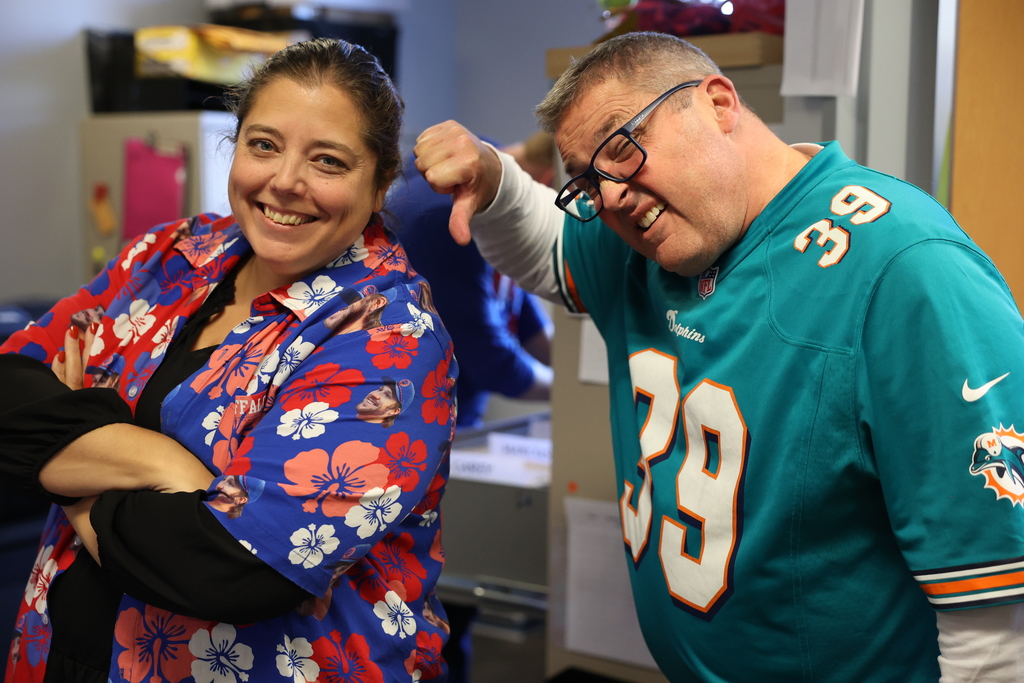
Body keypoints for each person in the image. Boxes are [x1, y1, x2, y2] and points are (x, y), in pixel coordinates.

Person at [412, 31, 1024, 682]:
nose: (611, 195)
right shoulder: (653, 233)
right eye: (590, 182)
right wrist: (494, 175)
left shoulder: (904, 267)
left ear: (718, 103)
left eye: (623, 149)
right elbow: (552, 248)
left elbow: (994, 619)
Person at [0, 38, 457, 682]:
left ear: (381, 183)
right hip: (66, 651)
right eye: (264, 145)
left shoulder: (389, 338)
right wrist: (153, 462)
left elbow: (236, 567)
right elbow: (8, 381)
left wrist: (67, 477)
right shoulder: (175, 254)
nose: (285, 182)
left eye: (328, 161)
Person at [390, 133, 555, 428]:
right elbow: (491, 362)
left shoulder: (494, 170)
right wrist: (566, 391)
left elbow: (518, 301)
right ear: (550, 179)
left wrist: (576, 370)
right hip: (419, 423)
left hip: (457, 413)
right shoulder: (448, 218)